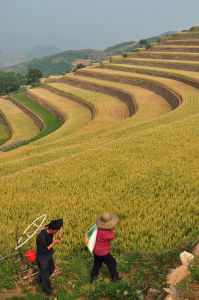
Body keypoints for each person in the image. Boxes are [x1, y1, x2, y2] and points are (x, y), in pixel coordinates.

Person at [90, 212, 121, 283]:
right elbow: (113, 235)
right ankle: (115, 279)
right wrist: (110, 228)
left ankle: (93, 278)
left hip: (96, 251)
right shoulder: (108, 233)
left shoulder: (96, 228)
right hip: (103, 252)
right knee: (112, 262)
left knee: (97, 263)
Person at [36, 218, 63, 296]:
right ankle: (47, 292)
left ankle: (38, 279)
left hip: (49, 254)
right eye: (56, 231)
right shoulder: (41, 237)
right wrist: (54, 243)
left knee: (52, 269)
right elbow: (43, 250)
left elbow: (61, 221)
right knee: (46, 276)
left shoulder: (50, 226)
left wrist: (60, 232)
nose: (56, 232)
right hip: (43, 257)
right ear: (51, 229)